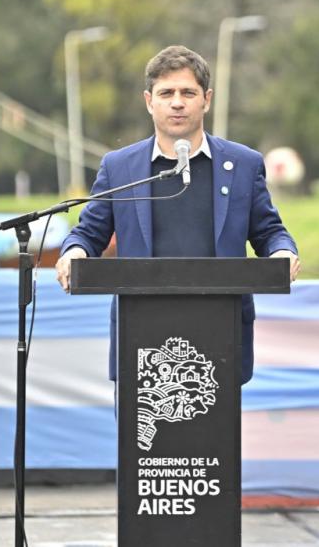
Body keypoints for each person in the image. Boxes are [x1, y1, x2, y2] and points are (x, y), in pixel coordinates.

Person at [55, 44, 300, 385]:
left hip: (221, 334)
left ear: (207, 99)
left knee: (212, 439)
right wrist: (74, 254)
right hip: (140, 337)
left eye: (188, 92)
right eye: (166, 92)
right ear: (148, 101)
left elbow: (269, 231)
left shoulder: (243, 164)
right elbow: (88, 234)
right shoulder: (120, 167)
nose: (177, 102)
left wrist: (283, 252)